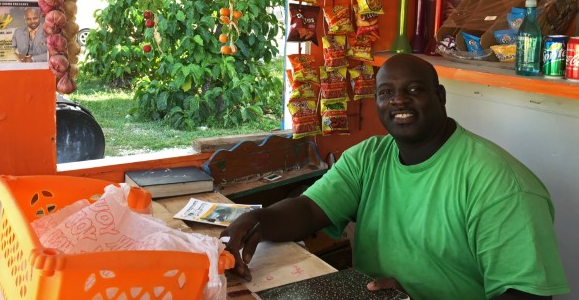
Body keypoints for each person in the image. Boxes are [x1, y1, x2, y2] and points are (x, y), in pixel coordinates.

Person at [221, 54, 569, 300]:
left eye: (414, 90)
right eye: (386, 93)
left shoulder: (501, 185)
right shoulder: (369, 157)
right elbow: (312, 209)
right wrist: (257, 220)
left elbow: (525, 296)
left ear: (440, 97)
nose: (398, 101)